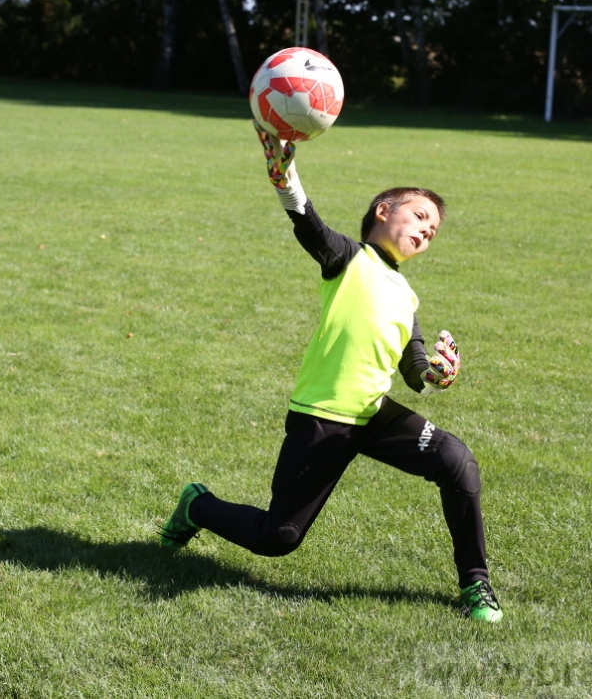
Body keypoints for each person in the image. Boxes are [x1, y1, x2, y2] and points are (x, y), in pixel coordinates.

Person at [158, 122, 502, 623]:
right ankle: (198, 505)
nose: (428, 230)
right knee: (278, 537)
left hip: (375, 416)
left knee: (457, 462)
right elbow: (306, 221)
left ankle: (476, 583)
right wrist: (284, 175)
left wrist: (439, 375)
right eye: (420, 216)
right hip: (321, 417)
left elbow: (414, 370)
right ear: (383, 213)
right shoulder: (348, 259)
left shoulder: (407, 297)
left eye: (434, 230)